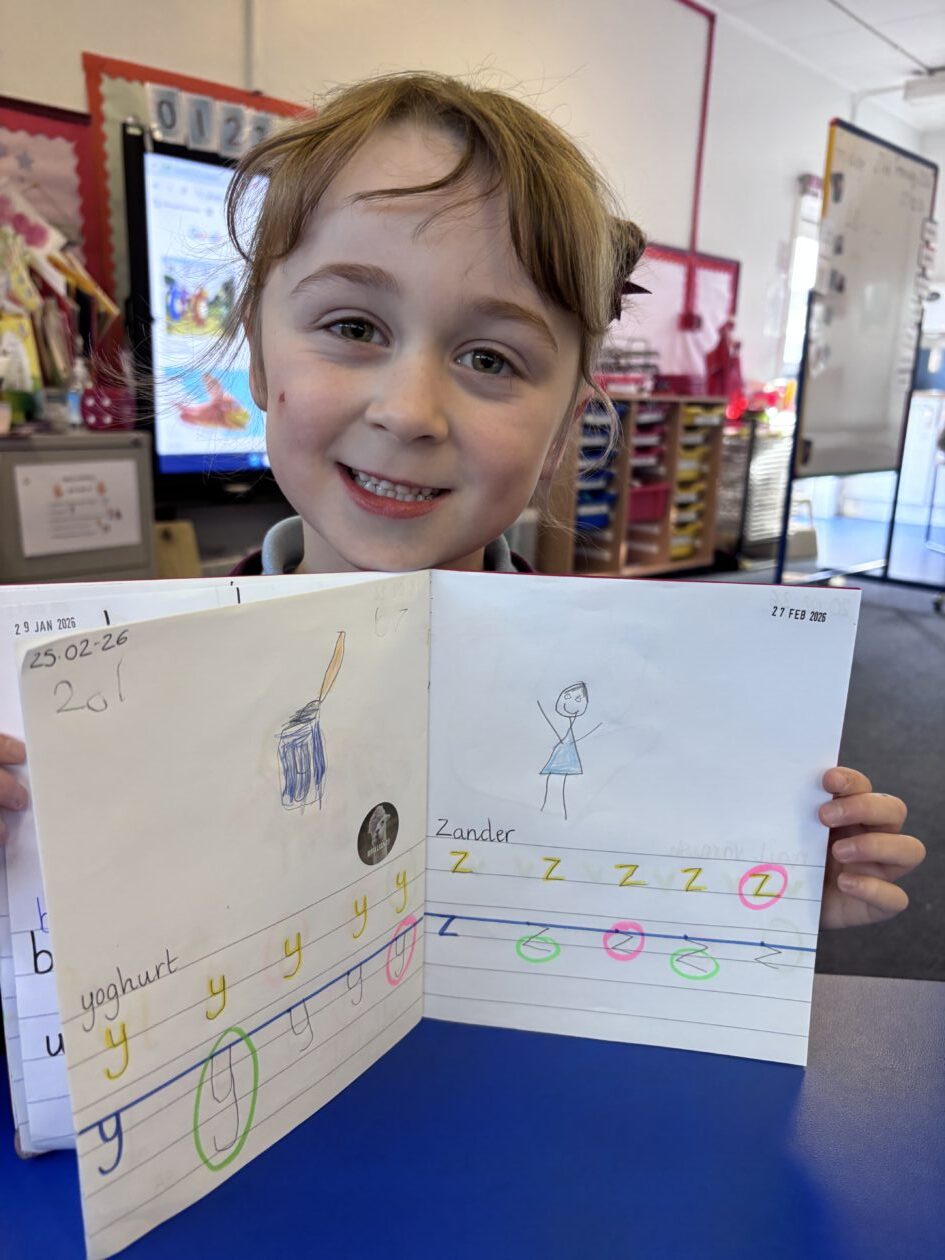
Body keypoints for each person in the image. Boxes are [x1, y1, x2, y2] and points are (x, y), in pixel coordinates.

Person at [0, 73, 925, 929]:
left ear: (563, 428)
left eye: (490, 358)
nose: (408, 412)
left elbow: (643, 932)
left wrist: (768, 883)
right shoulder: (126, 692)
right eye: (352, 326)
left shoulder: (628, 692)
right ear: (259, 359)